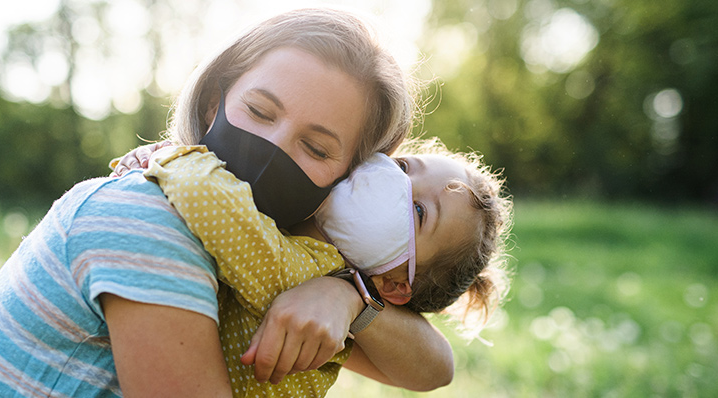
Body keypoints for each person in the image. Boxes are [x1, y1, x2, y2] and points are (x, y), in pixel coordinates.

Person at [0, 7, 456, 398]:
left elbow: (433, 368)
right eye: (260, 111)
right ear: (211, 104)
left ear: (347, 177)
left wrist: (348, 300)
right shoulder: (149, 218)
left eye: (316, 148)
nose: (273, 148)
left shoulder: (257, 253)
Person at [118, 132, 512, 396]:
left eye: (419, 211)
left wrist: (174, 156)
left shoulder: (309, 267)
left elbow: (206, 198)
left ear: (395, 283)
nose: (395, 184)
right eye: (406, 167)